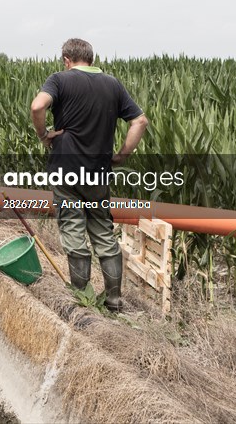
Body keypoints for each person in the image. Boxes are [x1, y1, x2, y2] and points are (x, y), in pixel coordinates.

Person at [30, 39, 148, 312]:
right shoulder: (112, 84)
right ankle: (114, 300)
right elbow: (139, 121)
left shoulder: (60, 80)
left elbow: (38, 107)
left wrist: (43, 134)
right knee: (103, 233)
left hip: (66, 171)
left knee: (73, 231)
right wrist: (122, 155)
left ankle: (82, 299)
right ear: (91, 59)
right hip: (98, 171)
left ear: (67, 59)